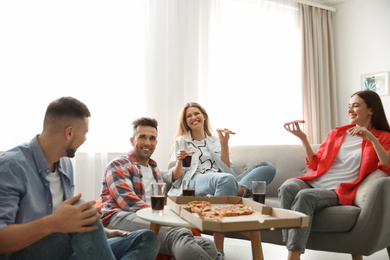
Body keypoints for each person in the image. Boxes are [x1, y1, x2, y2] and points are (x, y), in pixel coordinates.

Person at [0, 97, 159, 260]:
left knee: (146, 238)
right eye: (85, 133)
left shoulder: (65, 165)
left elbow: (71, 220)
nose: (85, 139)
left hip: (64, 250)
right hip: (23, 254)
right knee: (82, 206)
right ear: (69, 133)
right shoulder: (11, 166)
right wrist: (53, 222)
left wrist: (106, 233)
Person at [280, 90, 390, 260]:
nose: (350, 110)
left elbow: (387, 165)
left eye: (356, 105)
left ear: (371, 110)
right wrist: (303, 139)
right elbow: (315, 163)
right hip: (315, 182)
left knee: (304, 197)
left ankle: (292, 257)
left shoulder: (383, 137)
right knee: (287, 187)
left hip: (336, 190)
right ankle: (290, 246)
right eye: (349, 106)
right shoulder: (336, 133)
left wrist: (372, 139)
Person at [166, 102, 276, 259]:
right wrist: (178, 161)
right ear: (185, 121)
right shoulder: (181, 141)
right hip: (194, 180)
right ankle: (218, 250)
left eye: (196, 113)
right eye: (188, 116)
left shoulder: (214, 140)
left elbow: (225, 167)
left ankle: (239, 189)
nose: (193, 117)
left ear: (204, 116)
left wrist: (224, 144)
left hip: (223, 177)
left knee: (267, 167)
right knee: (226, 179)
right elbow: (175, 177)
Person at [100, 117, 218, 260]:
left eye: (152, 138)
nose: (147, 143)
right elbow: (128, 202)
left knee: (207, 245)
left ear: (156, 143)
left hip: (151, 218)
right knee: (179, 234)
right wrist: (165, 219)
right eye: (142, 137)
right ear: (132, 140)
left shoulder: (154, 168)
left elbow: (166, 191)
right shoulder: (118, 164)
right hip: (120, 217)